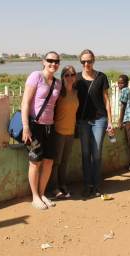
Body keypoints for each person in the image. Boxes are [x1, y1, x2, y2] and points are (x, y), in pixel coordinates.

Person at [21, 51, 62, 210]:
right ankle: (35, 197)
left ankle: (42, 193)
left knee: (49, 161)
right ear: (43, 61)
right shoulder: (35, 76)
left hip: (49, 126)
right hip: (35, 125)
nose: (53, 63)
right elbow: (25, 103)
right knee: (35, 162)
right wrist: (26, 126)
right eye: (50, 60)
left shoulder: (57, 83)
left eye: (56, 61)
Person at [76, 49, 113, 198]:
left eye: (89, 61)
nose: (87, 64)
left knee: (96, 153)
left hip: (99, 119)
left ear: (94, 61)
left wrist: (110, 120)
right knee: (85, 154)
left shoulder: (101, 77)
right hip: (83, 120)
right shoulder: (77, 78)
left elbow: (106, 100)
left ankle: (96, 184)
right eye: (84, 61)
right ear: (81, 62)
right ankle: (87, 184)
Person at [49, 65, 79, 199]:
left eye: (72, 74)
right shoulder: (59, 92)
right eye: (67, 75)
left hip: (71, 131)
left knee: (65, 161)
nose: (70, 77)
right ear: (62, 77)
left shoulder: (76, 92)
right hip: (59, 131)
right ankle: (54, 188)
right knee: (56, 162)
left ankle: (63, 185)